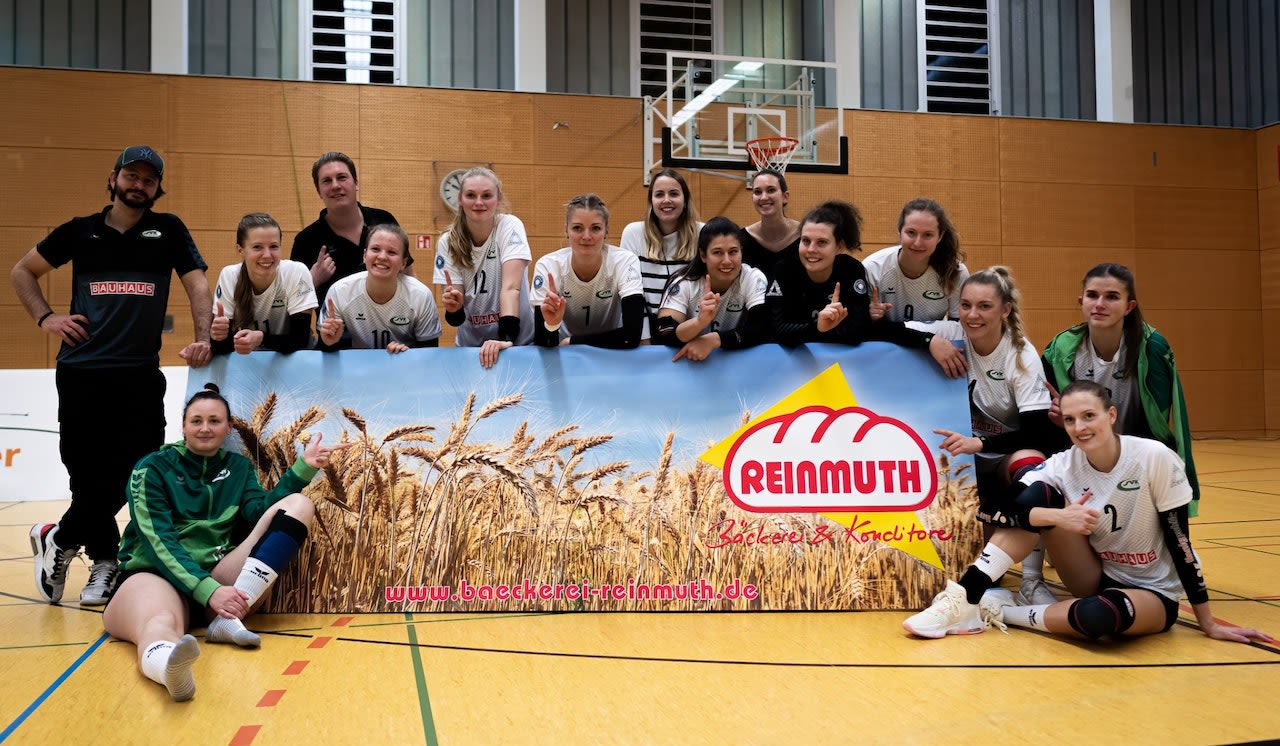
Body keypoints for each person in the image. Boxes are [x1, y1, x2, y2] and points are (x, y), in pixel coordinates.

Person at [904, 381, 1274, 647]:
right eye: (1069, 420)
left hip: (1152, 592)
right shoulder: (1064, 464)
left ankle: (995, 612)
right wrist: (1056, 518)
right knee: (1039, 497)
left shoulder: (1153, 458)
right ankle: (965, 598)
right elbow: (992, 512)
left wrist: (1208, 622)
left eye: (1088, 416)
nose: (1080, 428)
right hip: (1094, 574)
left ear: (1111, 415)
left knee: (1098, 619)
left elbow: (1181, 543)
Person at [11, 145, 213, 607]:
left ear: (157, 188)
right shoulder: (80, 231)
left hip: (138, 373)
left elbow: (198, 284)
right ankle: (105, 563)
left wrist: (203, 336)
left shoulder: (168, 230)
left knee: (138, 468)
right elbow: (23, 271)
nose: (139, 184)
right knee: (86, 476)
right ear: (113, 178)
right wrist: (46, 318)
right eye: (131, 175)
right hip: (81, 372)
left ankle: (59, 538)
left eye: (148, 179)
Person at [102, 384, 351, 701]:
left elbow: (258, 513)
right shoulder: (151, 468)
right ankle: (169, 671)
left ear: (229, 427)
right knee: (161, 622)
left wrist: (303, 468)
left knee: (299, 506)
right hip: (158, 578)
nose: (205, 428)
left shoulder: (239, 468)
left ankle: (225, 620)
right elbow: (159, 542)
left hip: (221, 583)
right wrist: (208, 590)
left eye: (215, 421)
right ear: (183, 426)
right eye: (196, 421)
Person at [929, 267, 1059, 604]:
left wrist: (981, 443)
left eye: (984, 306)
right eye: (966, 305)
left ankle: (1032, 579)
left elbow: (1037, 433)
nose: (972, 315)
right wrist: (930, 341)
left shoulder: (1021, 355)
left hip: (1003, 457)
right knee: (990, 574)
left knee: (1031, 463)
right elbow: (893, 330)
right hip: (968, 463)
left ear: (1005, 310)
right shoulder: (952, 332)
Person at [1041, 263, 1200, 515]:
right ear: (1081, 301)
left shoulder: (1152, 348)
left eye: (1112, 297)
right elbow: (1047, 418)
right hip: (1082, 451)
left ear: (1129, 306)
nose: (1099, 304)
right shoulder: (1061, 349)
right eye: (1092, 295)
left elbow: (1157, 425)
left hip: (1137, 455)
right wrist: (1063, 421)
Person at [765, 200, 968, 379]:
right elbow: (774, 331)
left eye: (822, 242)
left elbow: (857, 332)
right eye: (805, 241)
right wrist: (818, 327)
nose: (811, 249)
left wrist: (927, 339)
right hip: (792, 369)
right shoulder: (783, 269)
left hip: (852, 368)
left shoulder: (852, 270)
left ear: (839, 246)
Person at [432, 167, 534, 368]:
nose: (479, 202)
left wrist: (506, 339)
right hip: (471, 348)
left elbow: (511, 288)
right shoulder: (447, 241)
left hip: (517, 343)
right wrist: (453, 308)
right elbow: (455, 318)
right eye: (471, 195)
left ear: (498, 199)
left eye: (486, 195)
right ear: (460, 199)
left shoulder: (510, 226)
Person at [290, 151, 413, 304]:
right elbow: (293, 301)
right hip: (335, 320)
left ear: (356, 183)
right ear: (319, 191)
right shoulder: (305, 241)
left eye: (342, 177)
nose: (335, 185)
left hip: (392, 318)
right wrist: (312, 280)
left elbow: (408, 277)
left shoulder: (384, 220)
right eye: (327, 181)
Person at [530, 194, 644, 349]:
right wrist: (552, 325)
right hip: (565, 353)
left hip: (610, 352)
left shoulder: (625, 262)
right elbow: (544, 342)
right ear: (566, 230)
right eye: (577, 228)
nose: (586, 236)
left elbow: (632, 336)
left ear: (606, 231)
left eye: (595, 228)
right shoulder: (548, 266)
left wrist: (574, 341)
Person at [653, 216, 770, 361]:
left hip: (733, 362)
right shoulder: (684, 283)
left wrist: (714, 340)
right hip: (686, 362)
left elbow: (761, 328)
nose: (727, 261)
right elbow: (664, 331)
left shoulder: (752, 278)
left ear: (741, 252)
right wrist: (699, 322)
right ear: (703, 255)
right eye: (717, 252)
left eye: (733, 251)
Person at [317, 224, 441, 352]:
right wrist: (330, 342)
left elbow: (429, 352)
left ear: (403, 263)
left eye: (391, 252)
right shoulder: (339, 291)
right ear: (365, 256)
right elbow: (326, 349)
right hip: (359, 363)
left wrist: (407, 354)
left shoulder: (421, 296)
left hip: (405, 363)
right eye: (375, 249)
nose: (382, 257)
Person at [212, 213, 318, 354]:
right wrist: (217, 337)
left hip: (296, 358)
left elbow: (300, 339)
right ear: (240, 250)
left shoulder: (296, 272)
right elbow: (222, 348)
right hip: (252, 360)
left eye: (273, 246)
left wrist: (261, 339)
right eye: (257, 247)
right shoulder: (230, 276)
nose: (267, 255)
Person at [619, 168, 703, 341]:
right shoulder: (633, 233)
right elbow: (631, 291)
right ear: (651, 201)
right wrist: (644, 339)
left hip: (689, 329)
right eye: (659, 194)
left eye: (674, 193)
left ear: (685, 200)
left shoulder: (702, 233)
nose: (666, 200)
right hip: (645, 330)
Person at [863, 198, 969, 323]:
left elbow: (958, 326)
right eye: (911, 232)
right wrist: (868, 316)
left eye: (928, 235)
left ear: (940, 236)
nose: (918, 243)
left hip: (933, 336)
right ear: (900, 232)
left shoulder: (955, 272)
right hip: (885, 336)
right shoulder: (873, 268)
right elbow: (858, 325)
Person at [738, 168, 801, 282]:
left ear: (785, 197)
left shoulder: (805, 236)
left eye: (771, 190)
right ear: (752, 198)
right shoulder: (741, 239)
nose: (763, 197)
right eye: (758, 192)